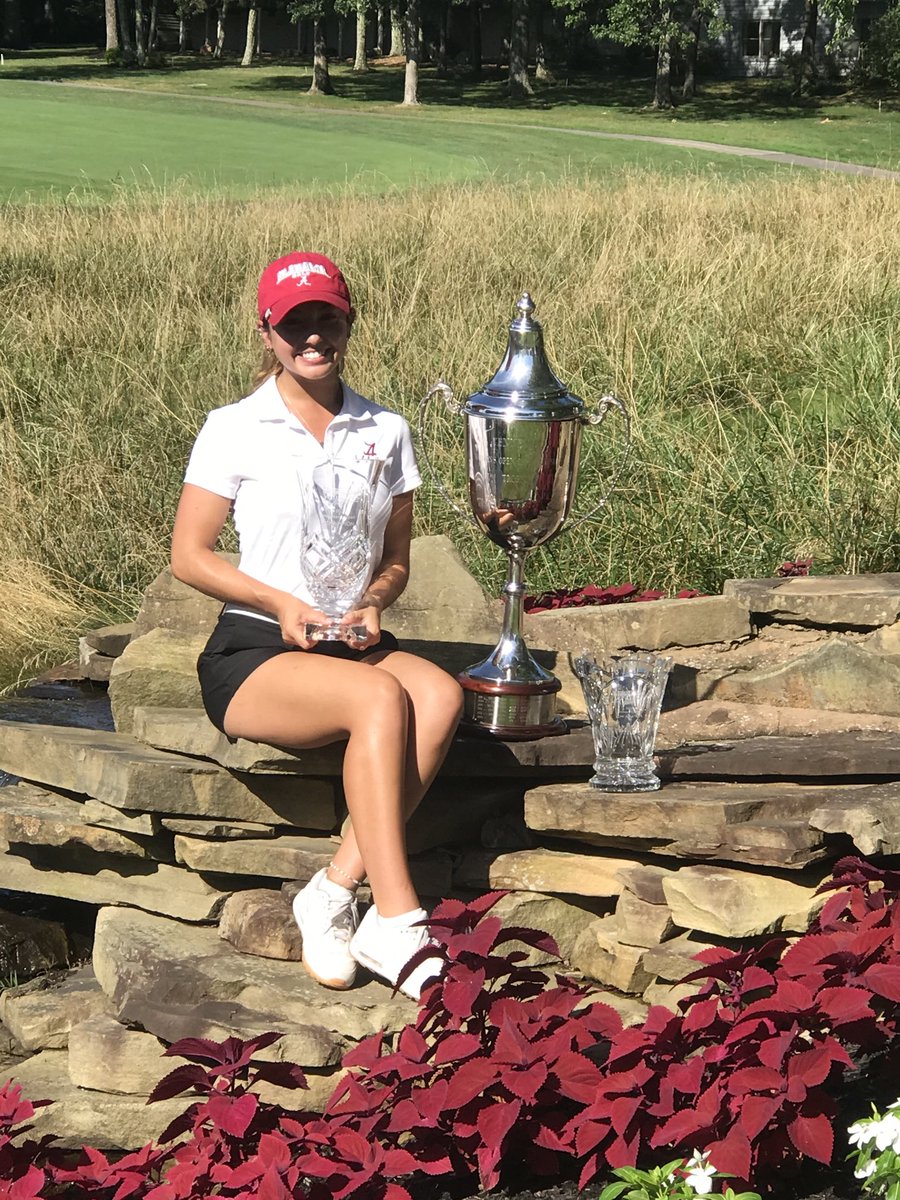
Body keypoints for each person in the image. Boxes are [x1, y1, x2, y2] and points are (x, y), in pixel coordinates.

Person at [170, 251, 464, 1000]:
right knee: (380, 699)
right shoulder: (234, 427)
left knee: (440, 696)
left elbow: (395, 561)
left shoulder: (385, 429)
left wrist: (375, 603)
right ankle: (398, 920)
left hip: (350, 640)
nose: (312, 336)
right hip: (256, 646)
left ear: (348, 323)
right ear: (266, 332)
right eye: (294, 322)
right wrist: (281, 603)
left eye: (326, 318)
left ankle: (331, 893)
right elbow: (189, 556)